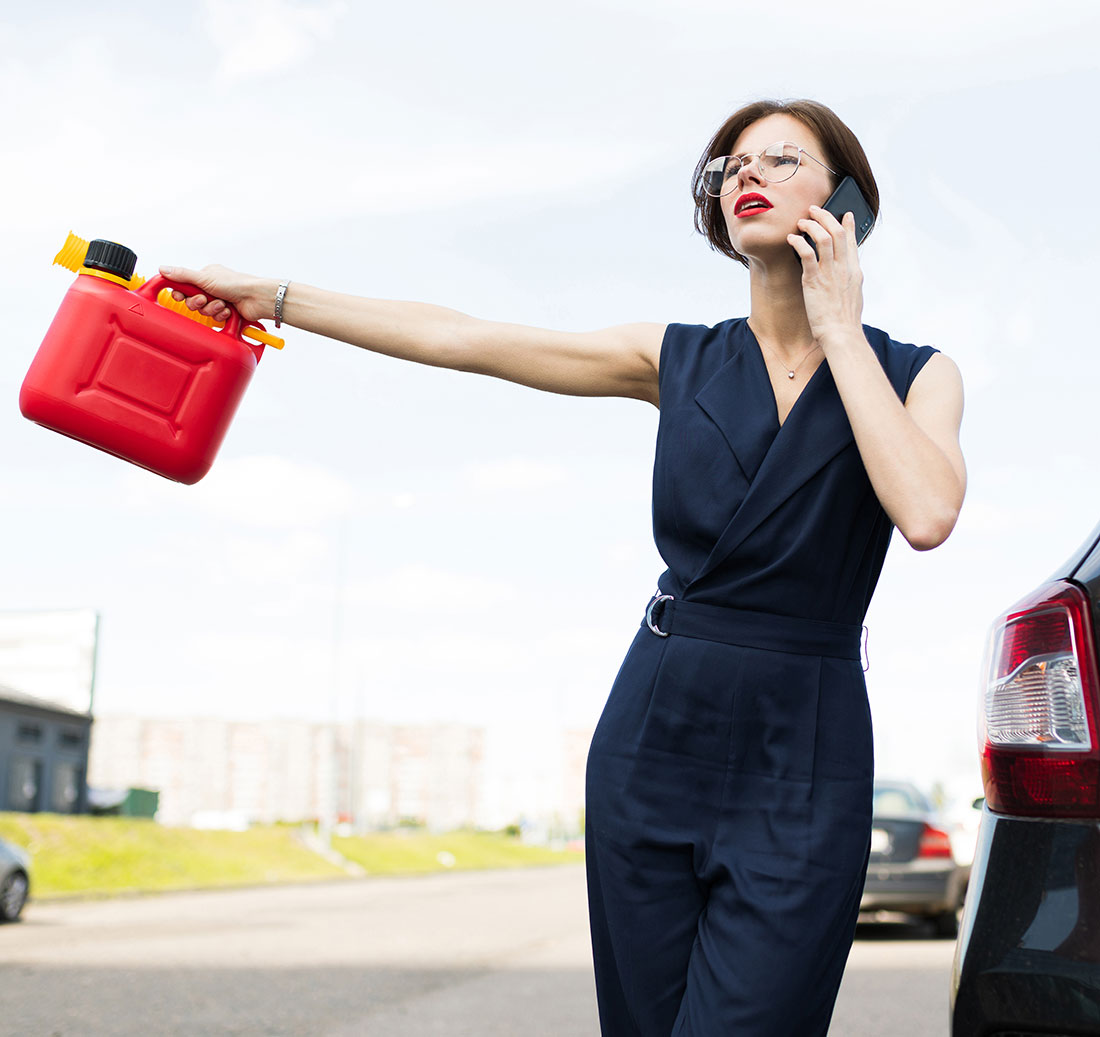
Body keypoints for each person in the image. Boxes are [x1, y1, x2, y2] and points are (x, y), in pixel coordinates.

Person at [163, 98, 965, 1035]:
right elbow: (463, 337)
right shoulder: (674, 358)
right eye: (731, 167)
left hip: (808, 744)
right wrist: (271, 296)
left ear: (851, 204)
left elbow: (927, 510)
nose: (746, 176)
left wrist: (841, 332)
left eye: (782, 161)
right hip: (655, 732)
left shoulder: (919, 373)